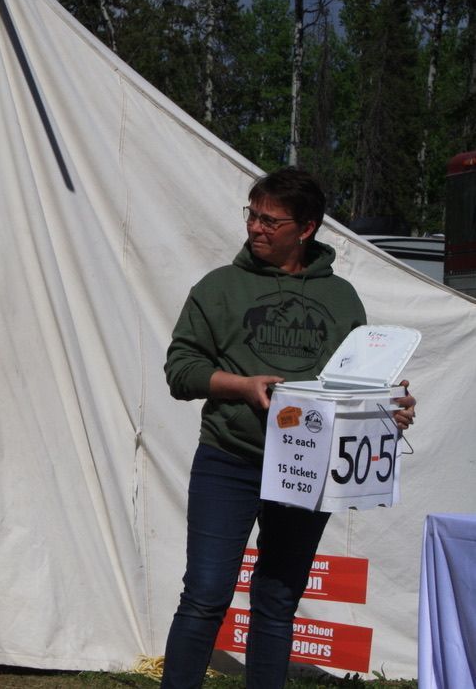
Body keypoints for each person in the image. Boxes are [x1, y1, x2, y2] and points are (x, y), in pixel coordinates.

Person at [160, 167, 416, 687]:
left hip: (307, 470)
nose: (255, 228)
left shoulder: (342, 299)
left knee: (276, 600)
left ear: (306, 229)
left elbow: (356, 383)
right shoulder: (218, 288)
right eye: (252, 215)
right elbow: (180, 371)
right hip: (228, 460)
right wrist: (243, 386)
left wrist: (389, 406)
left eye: (269, 220)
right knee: (206, 593)